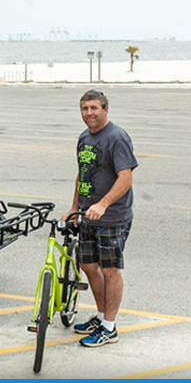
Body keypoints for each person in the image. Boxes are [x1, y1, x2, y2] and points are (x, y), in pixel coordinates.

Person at [62, 89, 138, 348]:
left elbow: (125, 177)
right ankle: (100, 316)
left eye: (94, 108)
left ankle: (110, 327)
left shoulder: (117, 137)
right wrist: (74, 207)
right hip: (87, 216)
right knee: (88, 266)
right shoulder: (84, 138)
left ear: (106, 109)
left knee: (110, 270)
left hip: (112, 217)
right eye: (84, 108)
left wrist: (104, 204)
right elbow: (82, 174)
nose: (89, 113)